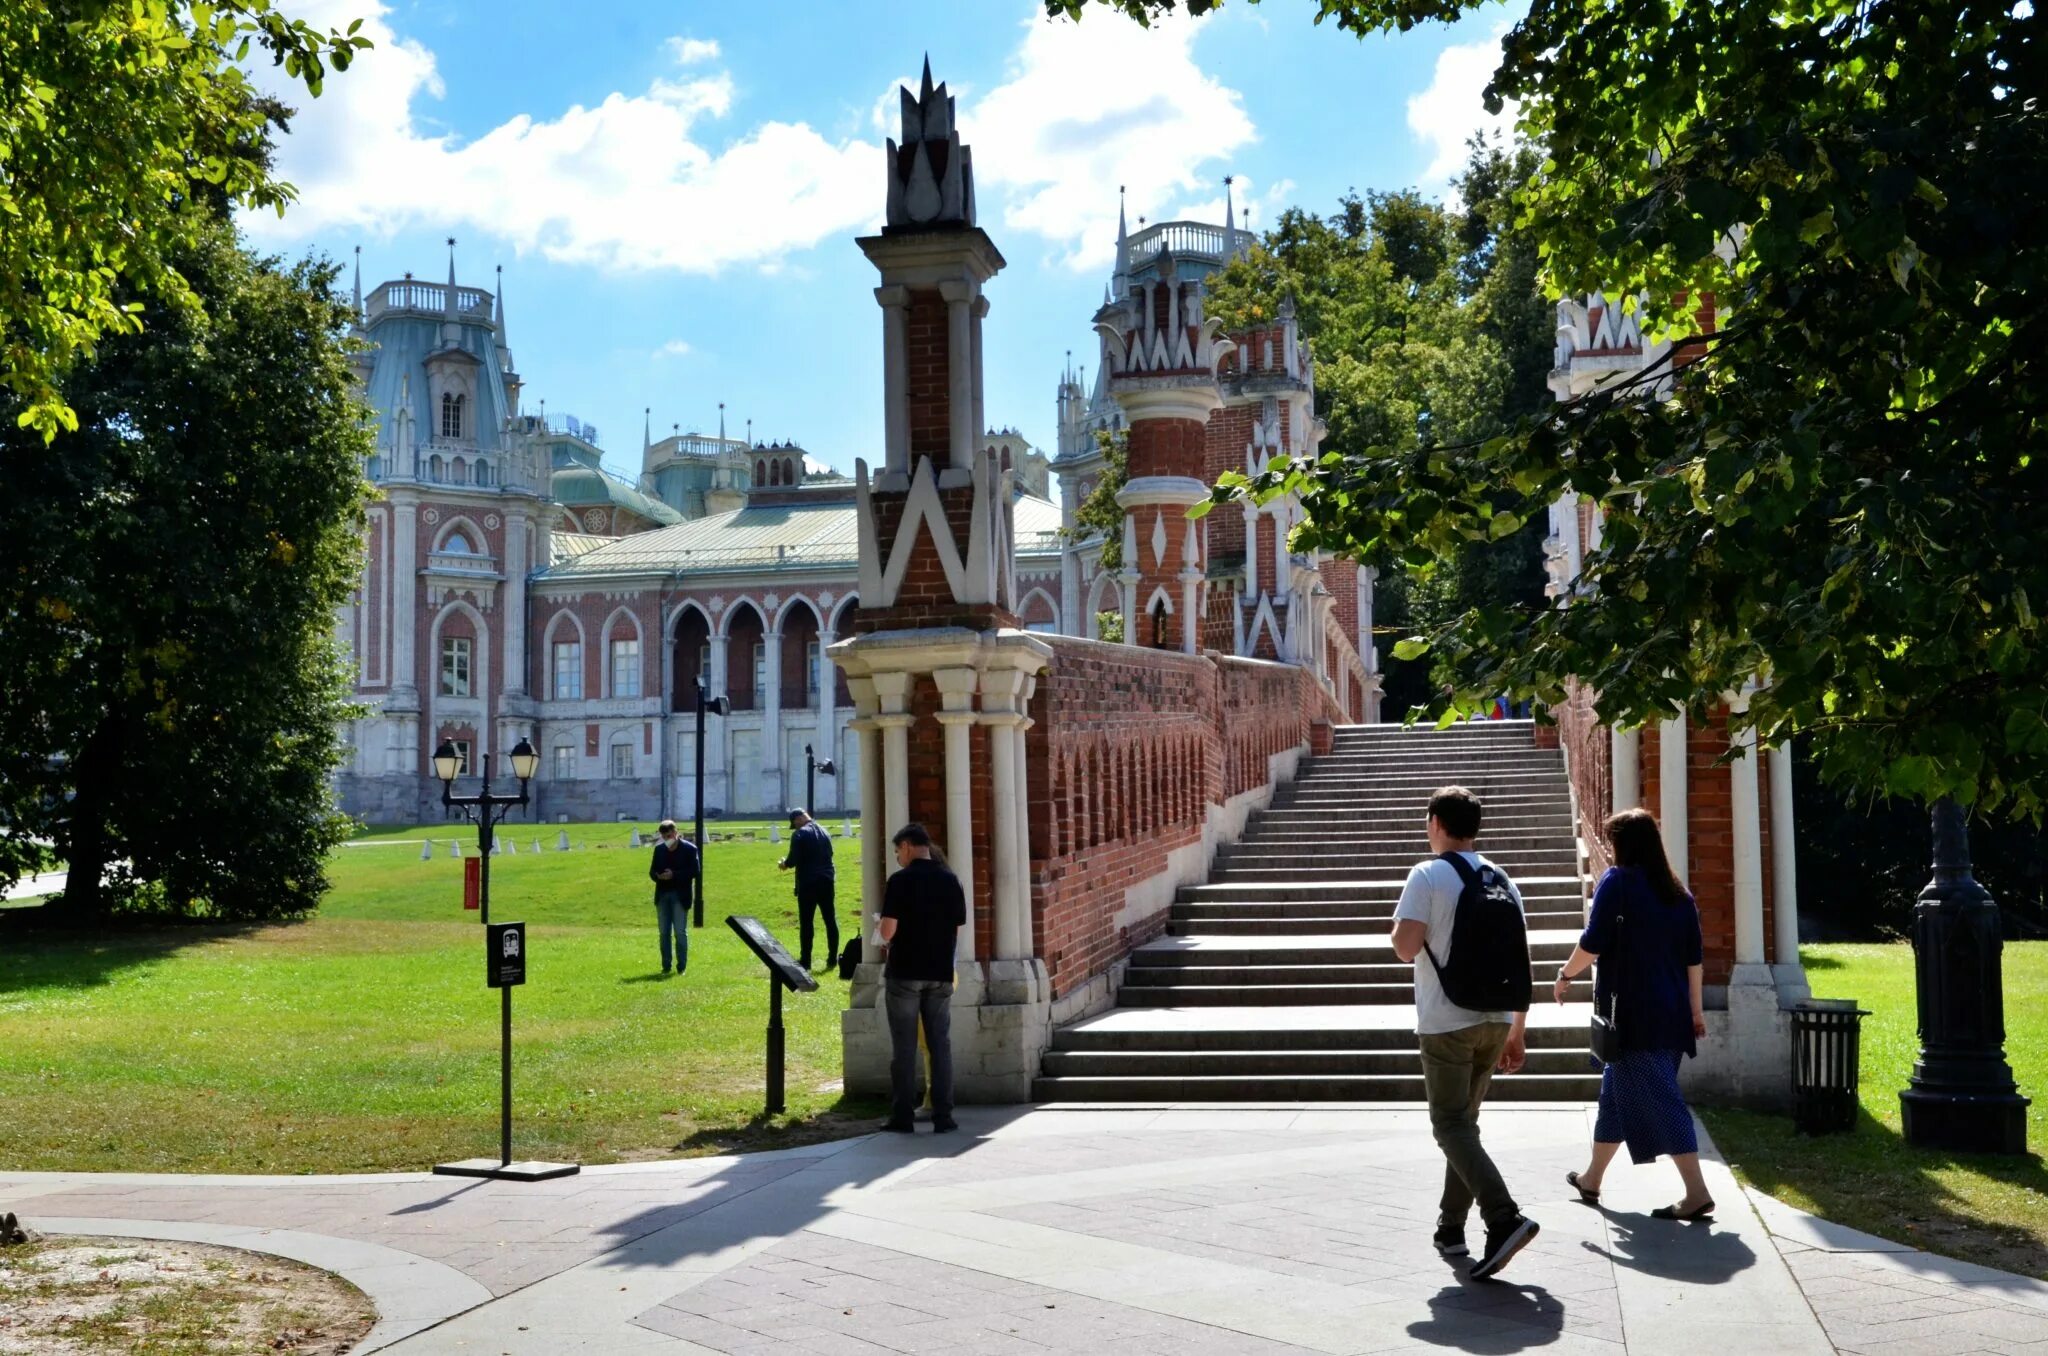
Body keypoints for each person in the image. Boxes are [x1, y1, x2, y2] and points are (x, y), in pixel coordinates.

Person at [1391, 785, 1542, 1280]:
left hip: (1446, 1022)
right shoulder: (1502, 878)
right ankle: (1451, 1228)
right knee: (1465, 1127)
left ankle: (1503, 1218)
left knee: (1450, 1126)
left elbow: (1405, 947)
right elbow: (1522, 959)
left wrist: (1400, 929)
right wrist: (1518, 1029)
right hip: (1497, 1019)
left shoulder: (1427, 873)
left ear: (1435, 821)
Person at [1555, 808, 1713, 1220]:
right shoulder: (1679, 894)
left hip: (1632, 1017)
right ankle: (1591, 1179)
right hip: (1672, 1013)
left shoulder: (1618, 883)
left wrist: (1565, 975)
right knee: (1614, 1098)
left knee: (1663, 1100)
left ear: (1623, 845)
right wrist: (1696, 1013)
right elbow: (1694, 959)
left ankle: (1696, 1193)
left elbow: (1593, 942)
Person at [877, 823, 965, 1134]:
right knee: (940, 1045)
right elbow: (956, 928)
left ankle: (902, 1116)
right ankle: (944, 1115)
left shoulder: (900, 881)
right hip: (939, 972)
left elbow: (888, 930)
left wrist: (883, 935)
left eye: (898, 850)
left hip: (905, 972)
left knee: (904, 1047)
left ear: (908, 846)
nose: (898, 857)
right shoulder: (950, 879)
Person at [779, 807, 839, 971]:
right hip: (827, 880)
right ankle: (833, 958)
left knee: (807, 923)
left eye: (794, 823)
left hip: (808, 882)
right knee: (830, 920)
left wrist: (783, 864)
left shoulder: (799, 834)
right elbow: (830, 853)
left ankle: (806, 961)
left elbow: (792, 860)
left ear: (798, 819)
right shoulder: (825, 831)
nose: (795, 826)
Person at [647, 819, 698, 976]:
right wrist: (658, 876)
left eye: (669, 835)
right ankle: (666, 966)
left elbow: (695, 871)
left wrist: (674, 875)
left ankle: (681, 966)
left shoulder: (690, 849)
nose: (667, 839)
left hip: (680, 895)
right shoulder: (659, 850)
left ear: (676, 833)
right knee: (663, 932)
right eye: (664, 836)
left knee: (680, 932)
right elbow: (652, 871)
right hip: (663, 894)